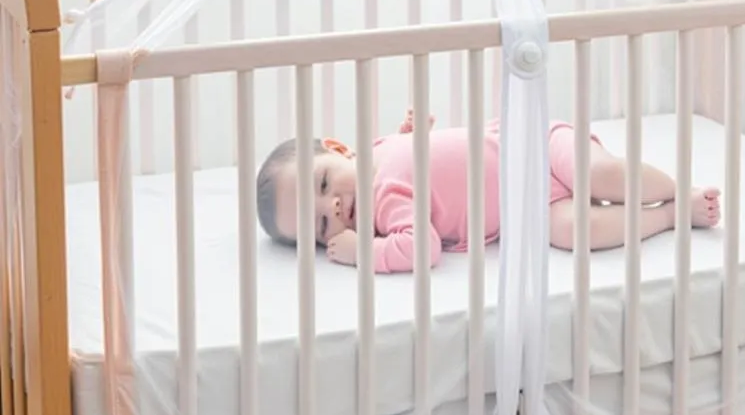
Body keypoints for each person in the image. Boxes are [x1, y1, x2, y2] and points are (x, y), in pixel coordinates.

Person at [256, 109, 721, 273]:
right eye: (321, 224)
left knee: (599, 173)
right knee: (577, 231)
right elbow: (423, 247)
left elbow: (426, 162)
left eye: (322, 184)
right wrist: (366, 252)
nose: (334, 207)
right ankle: (671, 215)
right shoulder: (385, 209)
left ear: (338, 149)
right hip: (530, 208)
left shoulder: (378, 150)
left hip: (533, 142)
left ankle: (680, 188)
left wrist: (409, 134)